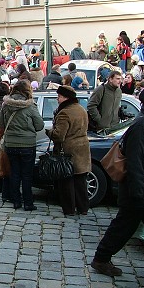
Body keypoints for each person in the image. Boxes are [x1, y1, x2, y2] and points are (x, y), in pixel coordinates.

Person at [91, 84, 144, 277]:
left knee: (129, 226)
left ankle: (101, 258)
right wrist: (138, 192)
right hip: (142, 191)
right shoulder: (143, 125)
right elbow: (137, 162)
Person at [0, 80, 44, 210]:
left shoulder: (6, 105)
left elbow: (1, 123)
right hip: (27, 144)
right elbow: (40, 125)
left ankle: (16, 201)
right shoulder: (30, 106)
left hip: (11, 144)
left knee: (14, 173)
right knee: (27, 175)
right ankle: (28, 203)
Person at [45, 86, 91, 216]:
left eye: (59, 96)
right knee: (80, 181)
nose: (57, 99)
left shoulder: (65, 113)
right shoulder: (81, 109)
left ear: (66, 98)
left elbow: (59, 135)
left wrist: (49, 132)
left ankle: (69, 209)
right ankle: (83, 208)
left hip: (69, 150)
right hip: (82, 147)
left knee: (67, 182)